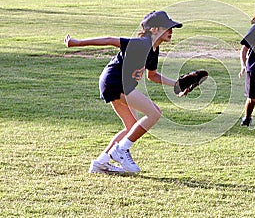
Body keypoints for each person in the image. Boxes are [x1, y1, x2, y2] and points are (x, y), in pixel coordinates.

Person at [64, 11, 183, 174]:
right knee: (154, 113)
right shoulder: (141, 44)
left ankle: (101, 162)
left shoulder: (154, 50)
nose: (171, 31)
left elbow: (152, 76)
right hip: (115, 81)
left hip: (114, 82)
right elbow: (110, 40)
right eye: (168, 27)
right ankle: (121, 150)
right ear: (154, 29)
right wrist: (76, 43)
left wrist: (176, 85)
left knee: (131, 126)